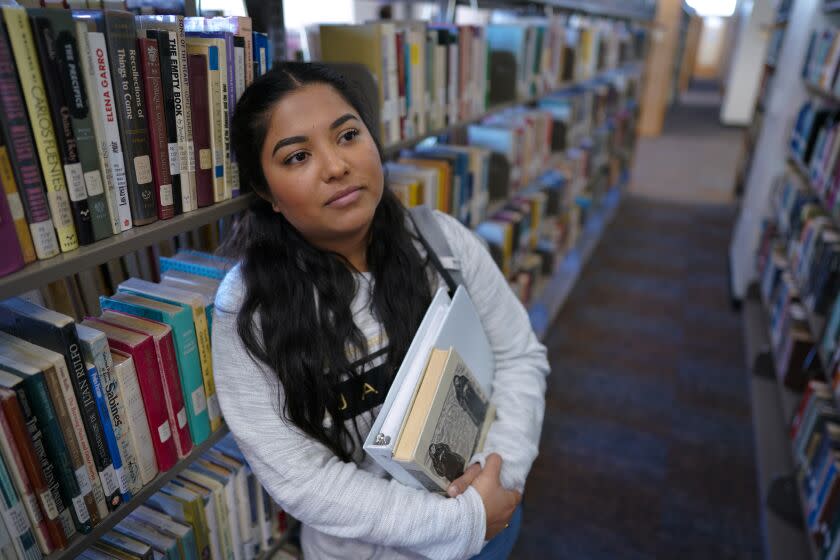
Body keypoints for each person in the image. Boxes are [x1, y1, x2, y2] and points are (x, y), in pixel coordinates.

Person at [213, 61, 549, 560]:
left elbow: (519, 358)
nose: (335, 166)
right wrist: (461, 519)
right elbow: (303, 479)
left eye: (347, 135)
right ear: (267, 193)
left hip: (491, 514)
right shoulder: (248, 310)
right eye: (298, 155)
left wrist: (498, 480)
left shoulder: (443, 241)